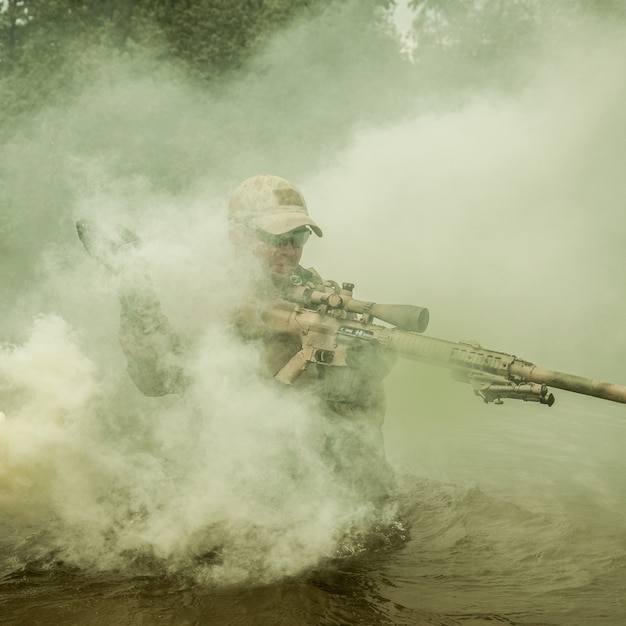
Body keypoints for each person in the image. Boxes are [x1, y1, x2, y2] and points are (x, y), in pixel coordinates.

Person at [77, 174, 397, 500]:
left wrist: (361, 366)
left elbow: (356, 418)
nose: (288, 250)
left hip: (329, 496)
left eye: (298, 236)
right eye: (276, 238)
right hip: (240, 489)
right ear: (238, 235)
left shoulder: (322, 297)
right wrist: (134, 287)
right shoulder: (207, 293)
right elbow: (156, 378)